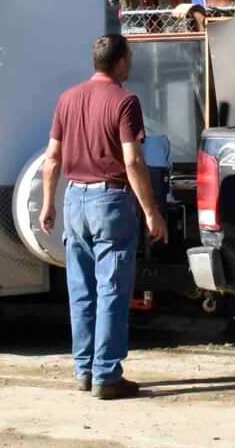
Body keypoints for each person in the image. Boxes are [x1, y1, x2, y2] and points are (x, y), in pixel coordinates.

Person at [37, 32, 168, 400]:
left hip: (74, 199)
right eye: (129, 57)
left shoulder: (67, 99)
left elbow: (52, 158)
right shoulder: (125, 102)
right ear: (121, 61)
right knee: (112, 289)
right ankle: (107, 375)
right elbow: (132, 160)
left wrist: (49, 203)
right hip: (110, 201)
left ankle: (84, 370)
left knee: (81, 290)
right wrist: (151, 211)